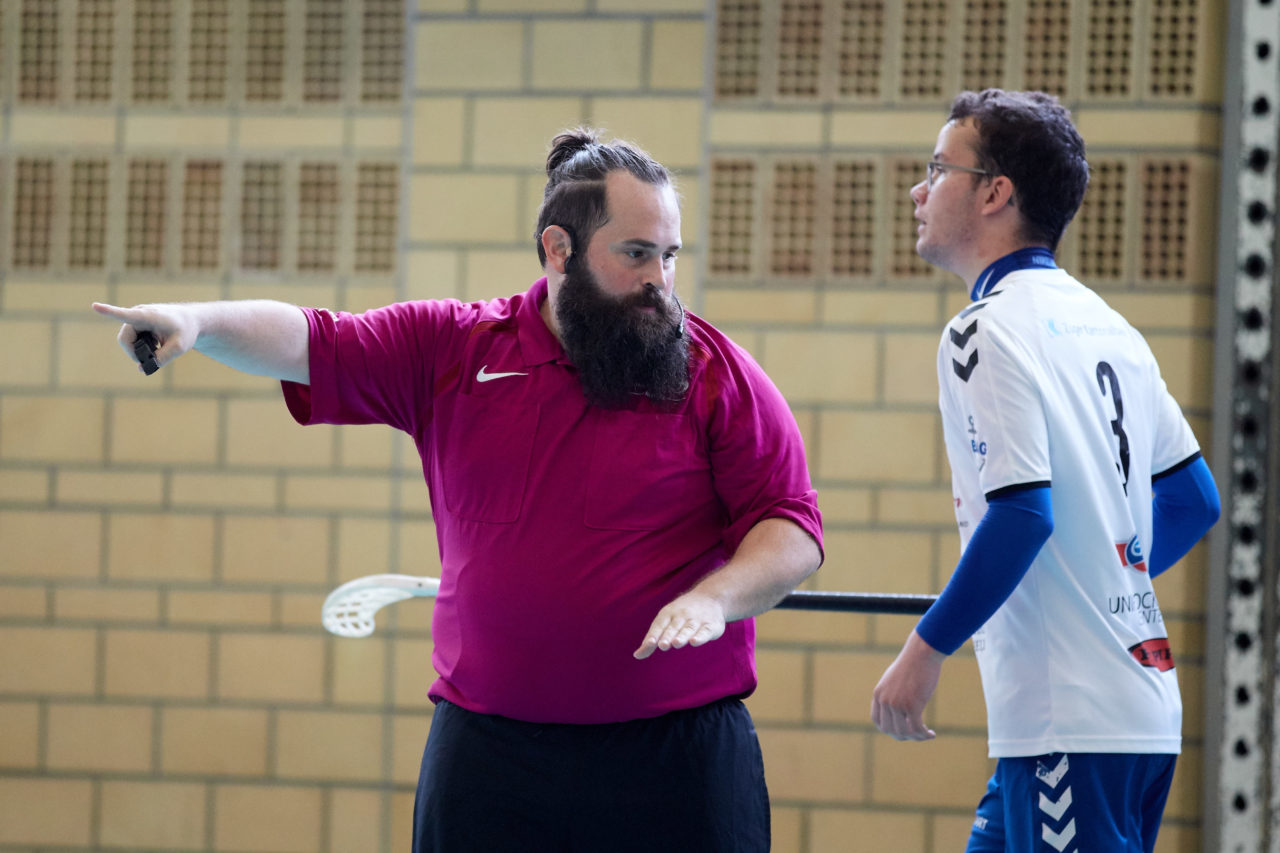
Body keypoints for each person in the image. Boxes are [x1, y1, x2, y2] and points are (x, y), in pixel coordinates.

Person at [94, 128, 823, 852]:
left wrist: (715, 598)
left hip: (678, 758)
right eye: (636, 254)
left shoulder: (714, 371)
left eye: (669, 256)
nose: (659, 280)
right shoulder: (455, 348)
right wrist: (195, 320)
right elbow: (308, 338)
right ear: (557, 249)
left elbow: (791, 525)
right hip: (490, 761)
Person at [869, 89, 1220, 852]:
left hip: (1073, 720)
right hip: (1129, 715)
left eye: (938, 168)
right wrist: (1102, 575)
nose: (918, 189)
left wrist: (923, 650)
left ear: (996, 193)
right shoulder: (1109, 323)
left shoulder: (982, 331)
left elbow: (1024, 514)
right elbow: (1193, 499)